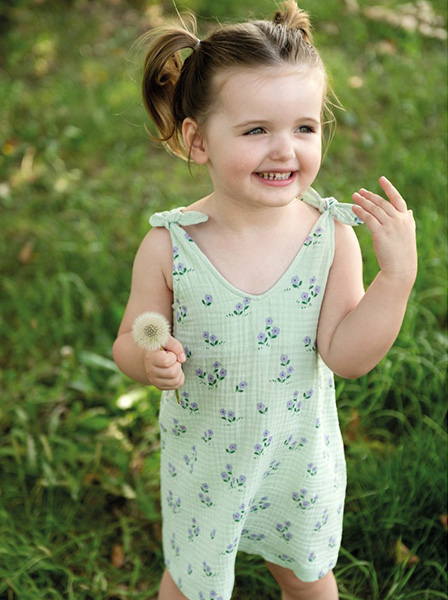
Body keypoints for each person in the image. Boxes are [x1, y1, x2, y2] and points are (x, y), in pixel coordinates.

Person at [112, 2, 417, 599]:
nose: (285, 150)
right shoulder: (170, 246)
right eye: (256, 131)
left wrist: (396, 279)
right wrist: (146, 361)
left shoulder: (331, 237)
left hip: (297, 460)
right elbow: (129, 339)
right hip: (205, 464)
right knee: (191, 583)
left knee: (307, 579)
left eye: (304, 128)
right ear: (198, 141)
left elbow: (347, 356)